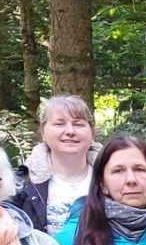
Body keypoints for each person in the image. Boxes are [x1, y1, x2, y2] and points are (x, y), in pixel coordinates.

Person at [9, 94, 102, 232]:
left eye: (78, 124)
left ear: (92, 133)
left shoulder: (113, 179)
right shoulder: (20, 185)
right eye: (59, 124)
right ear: (43, 132)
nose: (70, 131)